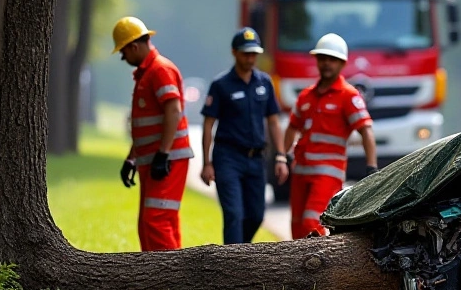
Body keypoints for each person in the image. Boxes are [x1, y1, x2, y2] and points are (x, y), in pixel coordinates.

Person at [282, 33, 378, 239]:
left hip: (328, 174)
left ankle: (318, 267)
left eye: (332, 59)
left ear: (342, 63)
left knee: (312, 223)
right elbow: (292, 127)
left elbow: (366, 130)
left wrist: (371, 168)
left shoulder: (348, 95)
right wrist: (282, 156)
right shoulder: (306, 95)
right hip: (300, 172)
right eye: (322, 58)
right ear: (316, 60)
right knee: (297, 228)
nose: (326, 64)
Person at [199, 28, 289, 244]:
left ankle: (239, 254)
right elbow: (208, 125)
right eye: (245, 53)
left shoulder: (264, 83)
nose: (250, 59)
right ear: (234, 52)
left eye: (253, 54)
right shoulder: (221, 85)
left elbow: (274, 121)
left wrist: (281, 157)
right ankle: (233, 265)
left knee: (256, 215)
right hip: (228, 158)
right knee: (234, 214)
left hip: (256, 159)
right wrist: (206, 163)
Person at [112, 16, 193, 251]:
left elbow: (173, 111)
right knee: (155, 221)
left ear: (133, 46)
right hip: (156, 159)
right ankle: (165, 280)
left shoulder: (160, 70)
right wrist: (132, 157)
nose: (122, 57)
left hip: (167, 159)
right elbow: (146, 125)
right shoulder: (146, 74)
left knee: (155, 220)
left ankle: (168, 281)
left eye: (123, 51)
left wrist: (163, 155)